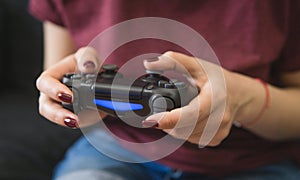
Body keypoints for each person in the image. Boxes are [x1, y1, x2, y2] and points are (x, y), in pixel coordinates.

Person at [30, 0, 300, 179]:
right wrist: (80, 101)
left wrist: (244, 99)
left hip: (250, 160)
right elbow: (59, 81)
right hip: (118, 146)